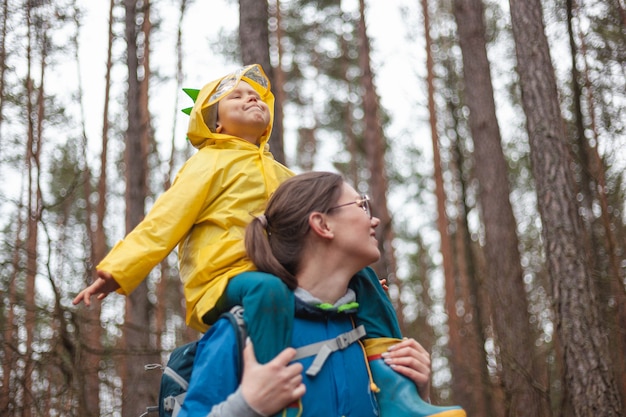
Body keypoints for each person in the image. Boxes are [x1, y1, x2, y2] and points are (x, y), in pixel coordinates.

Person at [179, 172, 466, 417]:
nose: (375, 220)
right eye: (361, 205)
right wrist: (246, 405)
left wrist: (417, 394)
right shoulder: (242, 331)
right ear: (323, 224)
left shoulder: (364, 334)